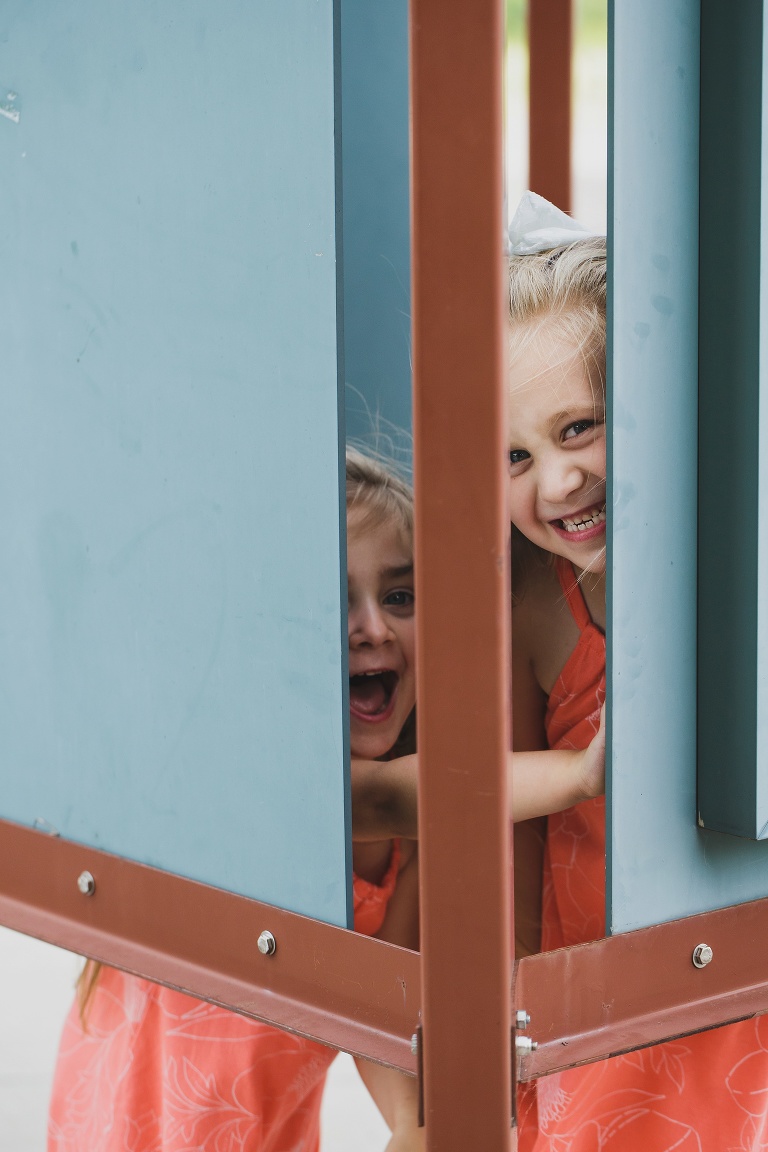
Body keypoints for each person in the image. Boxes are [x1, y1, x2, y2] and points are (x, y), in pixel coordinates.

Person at [48, 447, 423, 1152]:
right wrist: (583, 771)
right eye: (330, 598)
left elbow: (383, 1017)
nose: (372, 626)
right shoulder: (235, 785)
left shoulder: (407, 850)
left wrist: (415, 1123)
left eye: (399, 596)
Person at [504, 194, 768, 1151]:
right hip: (598, 997)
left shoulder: (735, 565)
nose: (558, 482)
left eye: (579, 428)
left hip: (734, 974)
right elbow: (479, 808)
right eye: (515, 455)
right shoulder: (536, 604)